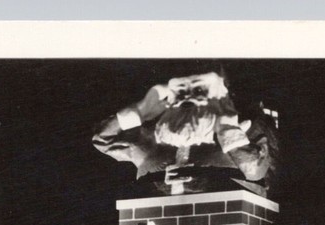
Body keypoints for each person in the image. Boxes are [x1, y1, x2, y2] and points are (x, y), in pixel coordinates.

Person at [93, 72, 279, 196]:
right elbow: (103, 140)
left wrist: (228, 131)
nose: (187, 97)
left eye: (199, 90)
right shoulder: (153, 135)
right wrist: (141, 110)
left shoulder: (243, 125)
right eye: (180, 91)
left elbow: (255, 170)